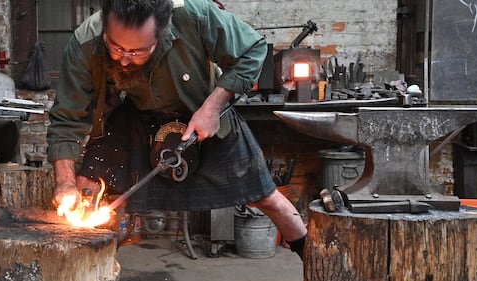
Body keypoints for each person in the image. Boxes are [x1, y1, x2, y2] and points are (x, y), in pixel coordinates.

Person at [46, 0, 308, 258]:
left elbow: (253, 49)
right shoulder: (85, 41)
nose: (124, 61)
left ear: (162, 31)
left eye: (138, 51)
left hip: (202, 113)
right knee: (84, 187)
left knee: (267, 198)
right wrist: (65, 182)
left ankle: (314, 260)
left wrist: (213, 107)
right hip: (137, 118)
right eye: (115, 47)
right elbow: (67, 117)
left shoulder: (196, 15)